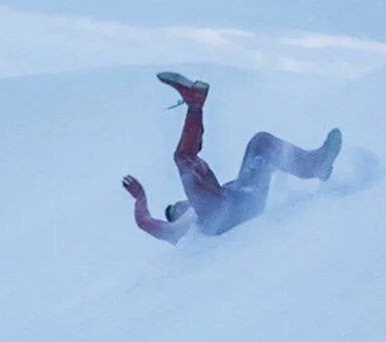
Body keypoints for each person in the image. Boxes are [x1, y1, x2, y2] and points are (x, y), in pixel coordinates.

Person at [122, 71, 343, 244]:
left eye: (177, 205)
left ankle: (315, 165)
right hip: (223, 219)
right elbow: (145, 223)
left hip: (248, 197)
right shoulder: (180, 231)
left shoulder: (206, 198)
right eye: (175, 211)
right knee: (184, 159)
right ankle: (195, 105)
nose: (178, 207)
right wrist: (139, 198)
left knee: (260, 143)